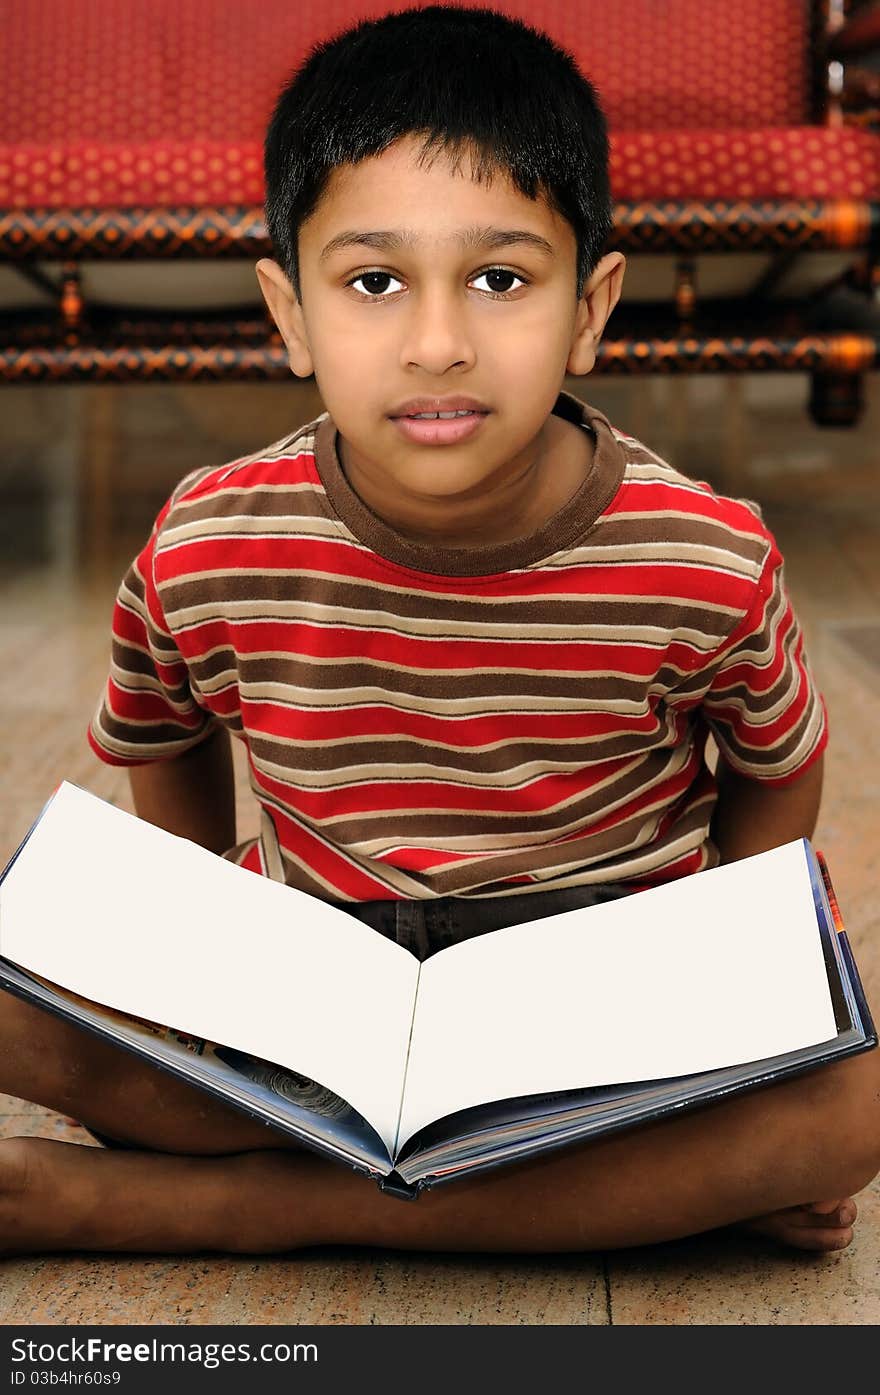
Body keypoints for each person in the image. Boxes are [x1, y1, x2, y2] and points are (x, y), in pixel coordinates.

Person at [1, 4, 877, 1260]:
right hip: (315, 982)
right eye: (371, 282)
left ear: (591, 305)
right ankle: (538, 1184)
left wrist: (724, 1001)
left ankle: (222, 1202)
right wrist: (201, 956)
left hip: (589, 1006)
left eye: (502, 279)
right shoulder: (209, 537)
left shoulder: (704, 555)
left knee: (851, 1107)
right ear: (288, 313)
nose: (436, 343)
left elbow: (778, 764)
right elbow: (161, 725)